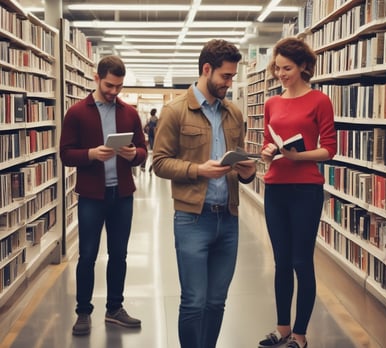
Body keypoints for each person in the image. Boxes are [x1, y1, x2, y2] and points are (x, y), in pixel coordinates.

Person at [152, 39, 257, 348]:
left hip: (229, 219)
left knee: (216, 301)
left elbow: (236, 160)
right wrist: (198, 170)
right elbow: (159, 163)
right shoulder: (175, 111)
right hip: (192, 219)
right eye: (225, 76)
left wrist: (247, 172)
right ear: (206, 69)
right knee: (194, 301)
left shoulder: (234, 114)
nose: (229, 82)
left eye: (233, 77)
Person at [59, 55, 147, 336]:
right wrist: (91, 154)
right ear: (96, 78)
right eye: (109, 85)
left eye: (119, 87)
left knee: (119, 254)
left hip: (122, 195)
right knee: (87, 255)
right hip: (91, 196)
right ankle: (83, 312)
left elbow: (143, 151)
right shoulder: (76, 112)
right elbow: (65, 154)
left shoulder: (129, 113)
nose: (113, 92)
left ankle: (114, 309)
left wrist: (135, 155)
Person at [258, 37, 337, 348]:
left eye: (286, 68)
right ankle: (282, 329)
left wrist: (298, 157)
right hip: (275, 187)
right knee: (280, 262)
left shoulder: (320, 100)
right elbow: (268, 140)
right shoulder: (271, 103)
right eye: (277, 68)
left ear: (304, 66)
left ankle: (301, 336)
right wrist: (268, 152)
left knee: (301, 261)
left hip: (306, 188)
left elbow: (329, 149)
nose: (280, 74)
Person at [141, 108, 158, 173]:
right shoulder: (156, 119)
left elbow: (146, 127)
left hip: (150, 135)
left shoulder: (149, 119)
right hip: (154, 135)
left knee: (149, 151)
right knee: (153, 151)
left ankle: (144, 165)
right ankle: (150, 166)